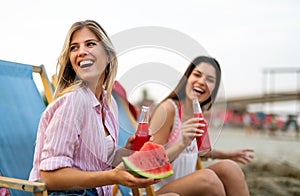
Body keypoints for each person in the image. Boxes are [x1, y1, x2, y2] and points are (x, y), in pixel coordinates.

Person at [28, 20, 158, 195]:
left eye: (90, 44)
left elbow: (97, 163)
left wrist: (127, 152)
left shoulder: (108, 102)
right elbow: (49, 177)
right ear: (70, 61)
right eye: (74, 48)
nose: (81, 52)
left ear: (108, 55)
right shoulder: (73, 101)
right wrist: (112, 177)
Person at [149, 56, 251, 195]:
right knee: (208, 180)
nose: (202, 81)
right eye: (197, 75)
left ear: (213, 89)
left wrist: (227, 154)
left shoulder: (198, 113)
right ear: (187, 79)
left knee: (230, 168)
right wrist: (182, 144)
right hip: (157, 190)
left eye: (210, 79)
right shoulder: (167, 110)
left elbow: (198, 151)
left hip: (186, 184)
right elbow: (151, 163)